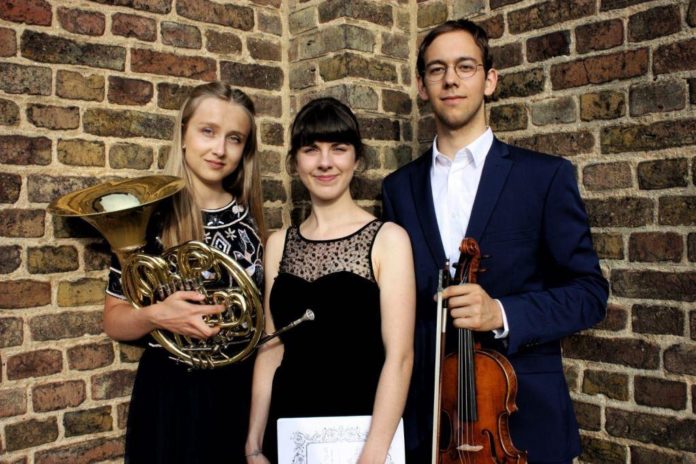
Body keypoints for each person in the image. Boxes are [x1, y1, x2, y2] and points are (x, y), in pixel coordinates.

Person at [381, 19, 608, 464]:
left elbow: (590, 293)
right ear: (422, 86)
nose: (451, 79)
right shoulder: (398, 189)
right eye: (437, 69)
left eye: (465, 66)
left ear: (489, 80)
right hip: (433, 427)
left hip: (521, 427)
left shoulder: (544, 177)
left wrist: (501, 313)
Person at [103, 81, 266, 463]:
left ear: (245, 150)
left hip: (236, 390)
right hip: (170, 395)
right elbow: (113, 321)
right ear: (183, 135)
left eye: (234, 138)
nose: (219, 149)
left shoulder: (252, 223)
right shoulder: (147, 218)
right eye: (207, 131)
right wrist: (157, 315)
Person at [245, 97, 415, 464]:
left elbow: (400, 358)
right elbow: (271, 348)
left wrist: (373, 454)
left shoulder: (388, 240)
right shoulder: (279, 244)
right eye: (311, 149)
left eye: (338, 148)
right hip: (290, 435)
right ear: (295, 162)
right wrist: (254, 445)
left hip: (362, 436)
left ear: (357, 159)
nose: (325, 162)